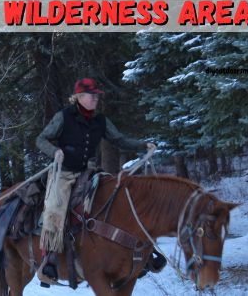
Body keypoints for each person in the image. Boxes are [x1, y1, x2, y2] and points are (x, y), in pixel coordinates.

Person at [35, 78, 162, 284]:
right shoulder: (63, 117)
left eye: (96, 95)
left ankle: (142, 253)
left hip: (90, 172)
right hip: (64, 173)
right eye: (91, 95)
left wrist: (142, 145)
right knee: (54, 207)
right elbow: (41, 139)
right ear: (79, 97)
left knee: (118, 197)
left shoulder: (100, 120)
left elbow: (119, 140)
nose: (95, 98)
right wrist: (54, 151)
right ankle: (49, 259)